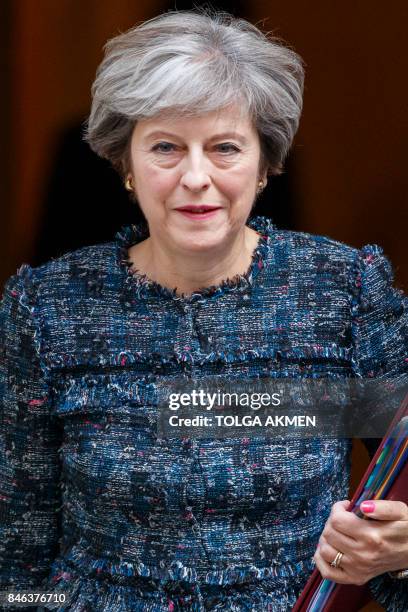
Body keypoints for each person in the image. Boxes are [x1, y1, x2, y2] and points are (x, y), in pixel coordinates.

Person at [0, 9, 407, 612]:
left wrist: (398, 552)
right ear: (126, 165)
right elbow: (18, 551)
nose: (196, 177)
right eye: (166, 147)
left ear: (264, 165)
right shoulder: (47, 309)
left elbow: (400, 481)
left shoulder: (341, 293)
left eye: (224, 148)